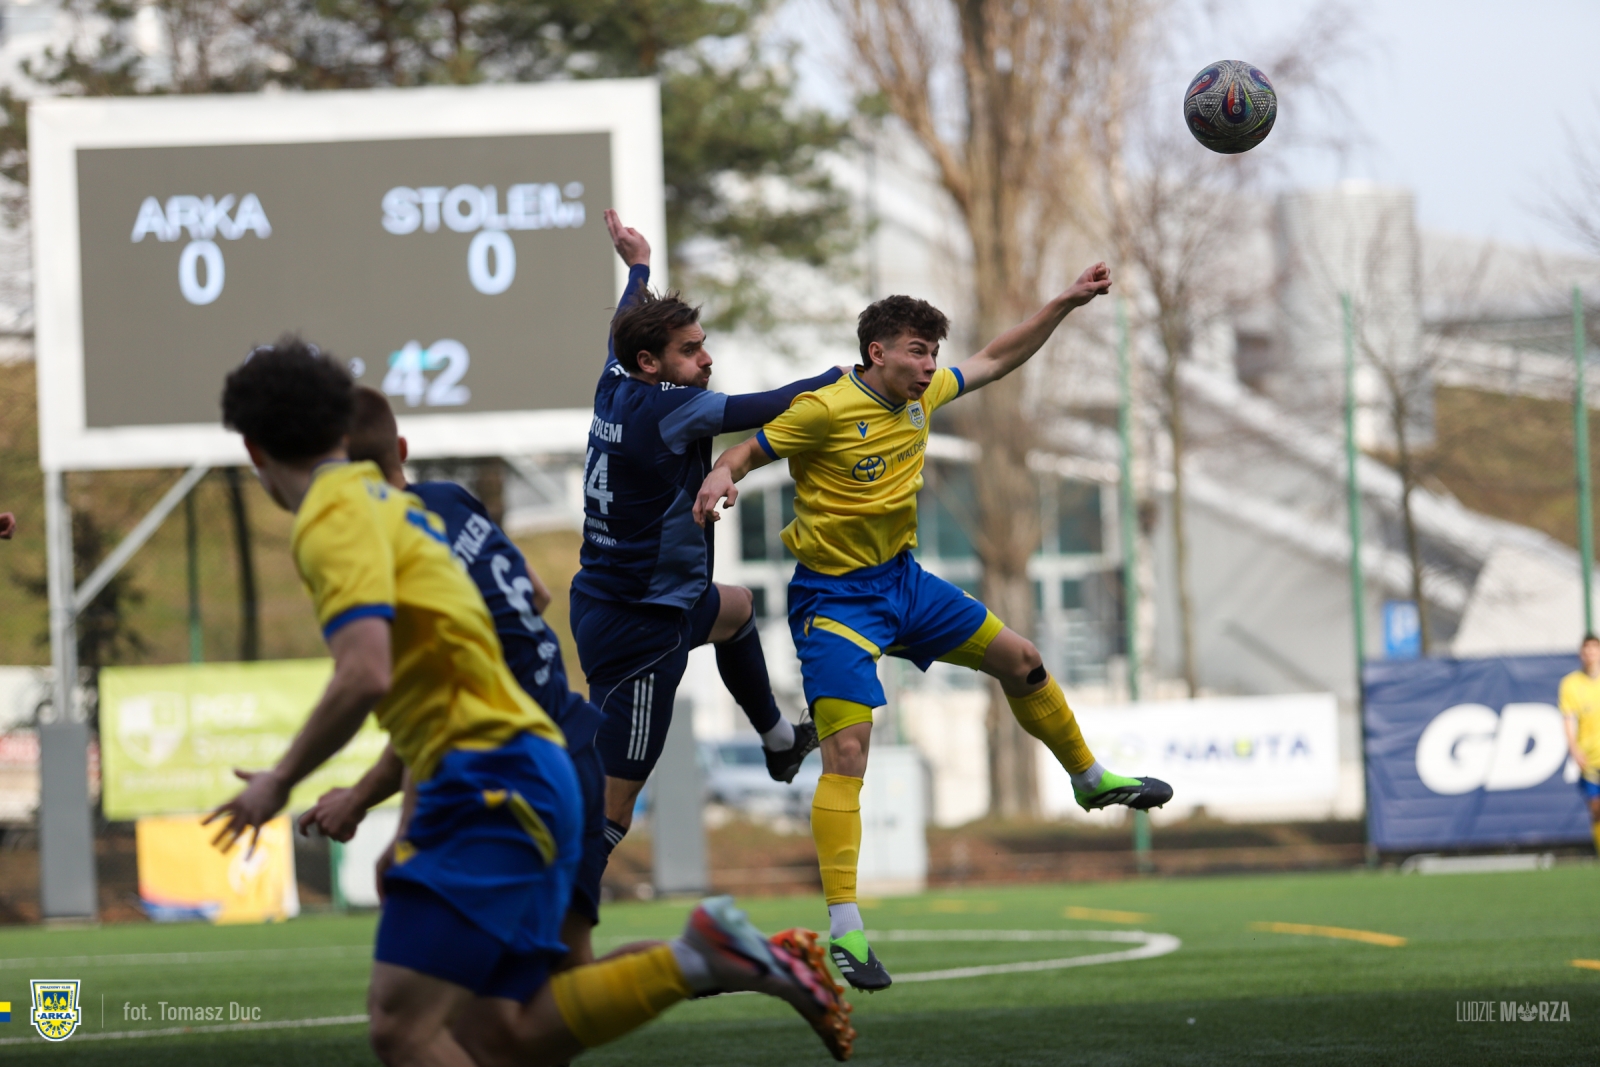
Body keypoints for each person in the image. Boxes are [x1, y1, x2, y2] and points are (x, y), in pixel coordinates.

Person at [207, 339, 853, 1066]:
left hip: (488, 777)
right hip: (537, 758)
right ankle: (703, 956)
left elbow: (365, 674)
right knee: (508, 1030)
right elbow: (465, 660)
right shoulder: (410, 507)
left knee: (402, 1029)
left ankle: (704, 957)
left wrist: (278, 781)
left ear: (255, 450)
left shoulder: (333, 517)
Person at [693, 271, 1173, 992]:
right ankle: (846, 928)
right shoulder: (823, 409)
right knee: (848, 752)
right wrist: (719, 476)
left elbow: (998, 357)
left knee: (1023, 659)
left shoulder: (923, 397)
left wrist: (1064, 304)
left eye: (933, 354)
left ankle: (1088, 779)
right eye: (917, 352)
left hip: (905, 585)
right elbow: (745, 452)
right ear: (877, 351)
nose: (929, 366)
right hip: (834, 600)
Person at [300, 386, 610, 970]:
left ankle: (708, 959)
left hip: (517, 770)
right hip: (574, 739)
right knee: (569, 971)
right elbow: (537, 594)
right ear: (401, 448)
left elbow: (436, 703)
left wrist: (378, 815)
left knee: (431, 996)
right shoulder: (449, 497)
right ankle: (706, 956)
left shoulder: (388, 548)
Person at [573, 211, 842, 884]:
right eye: (691, 350)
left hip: (620, 599)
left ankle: (779, 743)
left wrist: (638, 264)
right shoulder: (673, 409)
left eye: (703, 345)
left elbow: (623, 322)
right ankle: (549, 918)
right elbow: (774, 404)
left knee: (737, 608)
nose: (706, 358)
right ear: (652, 363)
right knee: (612, 810)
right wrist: (846, 375)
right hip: (643, 629)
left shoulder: (615, 379)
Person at [1560, 633, 1600, 855]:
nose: (1590, 653)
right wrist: (1574, 749)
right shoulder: (1571, 684)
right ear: (1581, 654)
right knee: (1596, 808)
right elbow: (1568, 718)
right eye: (1587, 649)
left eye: (1594, 648)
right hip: (1590, 757)